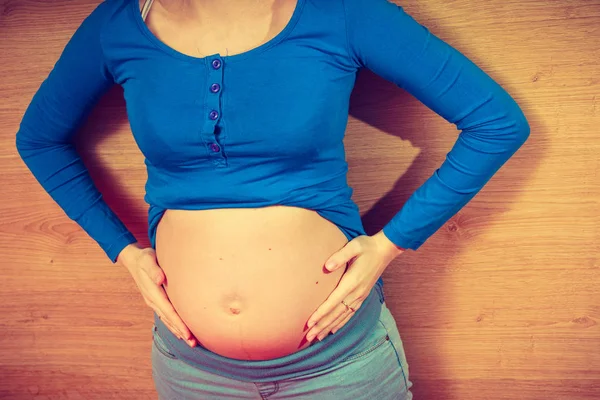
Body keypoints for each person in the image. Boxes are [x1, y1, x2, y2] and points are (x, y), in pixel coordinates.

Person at [15, 0, 530, 398]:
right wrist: (123, 251)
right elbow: (38, 139)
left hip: (340, 366)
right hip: (192, 370)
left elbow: (495, 124)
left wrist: (391, 244)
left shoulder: (344, 13)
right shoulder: (117, 25)